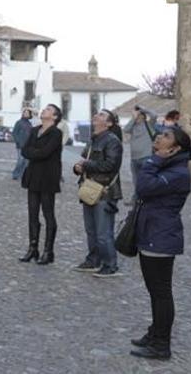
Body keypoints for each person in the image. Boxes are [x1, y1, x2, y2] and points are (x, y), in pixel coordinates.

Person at [129, 127, 191, 360]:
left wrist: (154, 160)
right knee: (155, 291)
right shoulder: (169, 167)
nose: (159, 137)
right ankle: (155, 333)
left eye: (166, 136)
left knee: (161, 293)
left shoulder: (178, 173)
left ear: (175, 149)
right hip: (152, 235)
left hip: (161, 238)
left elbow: (144, 187)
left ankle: (161, 345)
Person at [73, 109, 124, 277]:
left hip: (105, 191)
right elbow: (84, 162)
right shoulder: (93, 140)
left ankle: (110, 265)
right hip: (89, 189)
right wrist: (77, 168)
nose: (96, 115)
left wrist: (86, 165)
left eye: (102, 115)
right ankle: (93, 260)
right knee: (91, 230)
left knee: (103, 232)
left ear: (109, 123)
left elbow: (110, 165)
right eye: (97, 114)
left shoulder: (112, 141)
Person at [18, 104, 64, 265]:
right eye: (44, 109)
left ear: (55, 117)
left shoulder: (56, 133)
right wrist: (36, 152)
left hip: (48, 177)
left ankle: (48, 251)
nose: (44, 110)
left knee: (48, 214)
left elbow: (46, 152)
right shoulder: (34, 130)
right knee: (32, 214)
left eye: (48, 110)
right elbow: (24, 150)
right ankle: (33, 248)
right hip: (33, 176)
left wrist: (34, 152)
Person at [123, 105, 158, 205]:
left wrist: (143, 109)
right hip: (134, 158)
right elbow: (125, 129)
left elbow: (154, 115)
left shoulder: (149, 124)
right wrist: (133, 118)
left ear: (143, 116)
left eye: (138, 116)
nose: (136, 117)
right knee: (136, 181)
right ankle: (136, 199)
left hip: (146, 157)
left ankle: (148, 199)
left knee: (146, 180)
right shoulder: (132, 126)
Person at [11, 109, 34, 180]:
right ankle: (15, 174)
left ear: (30, 115)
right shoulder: (19, 122)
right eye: (25, 113)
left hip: (28, 146)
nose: (26, 114)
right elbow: (14, 133)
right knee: (20, 161)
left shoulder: (30, 124)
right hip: (20, 145)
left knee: (26, 162)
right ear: (23, 114)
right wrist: (18, 141)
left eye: (27, 113)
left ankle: (22, 175)